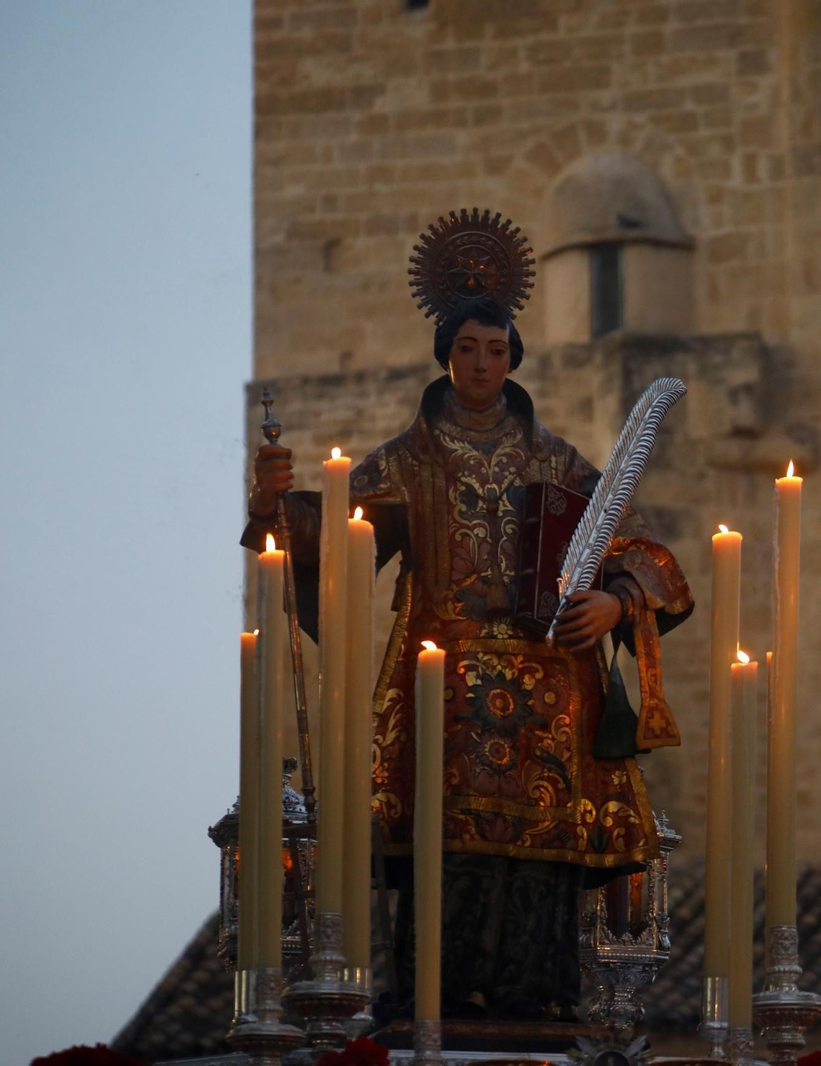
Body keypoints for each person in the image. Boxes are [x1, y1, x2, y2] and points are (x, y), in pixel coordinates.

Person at [243, 294, 692, 1022]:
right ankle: (437, 991)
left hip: (550, 694)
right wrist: (274, 507)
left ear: (513, 358)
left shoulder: (556, 460)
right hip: (440, 690)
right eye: (468, 349)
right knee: (445, 843)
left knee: (541, 856)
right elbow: (331, 534)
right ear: (446, 357)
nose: (482, 363)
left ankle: (537, 992)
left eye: (495, 349)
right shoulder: (408, 461)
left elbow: (641, 549)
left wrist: (614, 601)